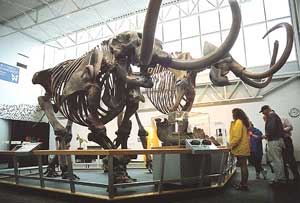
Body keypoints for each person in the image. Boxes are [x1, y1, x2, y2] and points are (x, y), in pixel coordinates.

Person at [259, 105, 286, 185]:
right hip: (277, 139)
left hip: (274, 140)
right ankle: (280, 177)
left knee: (276, 160)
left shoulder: (271, 116)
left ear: (267, 109)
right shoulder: (274, 115)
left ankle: (279, 178)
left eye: (263, 112)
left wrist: (266, 135)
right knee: (279, 160)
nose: (263, 114)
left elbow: (271, 128)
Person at [230, 108, 251, 190]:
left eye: (233, 113)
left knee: (243, 166)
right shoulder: (243, 122)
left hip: (240, 148)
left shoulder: (238, 122)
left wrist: (230, 145)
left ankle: (243, 184)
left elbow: (237, 137)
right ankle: (244, 184)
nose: (232, 115)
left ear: (236, 114)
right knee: (244, 166)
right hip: (243, 147)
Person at [281, 117, 300, 182]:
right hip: (279, 141)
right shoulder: (270, 122)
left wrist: (282, 130)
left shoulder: (283, 119)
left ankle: (296, 176)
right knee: (282, 160)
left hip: (286, 140)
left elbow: (290, 127)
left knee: (290, 158)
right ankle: (286, 177)